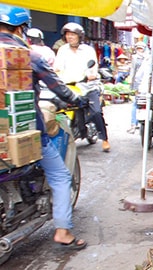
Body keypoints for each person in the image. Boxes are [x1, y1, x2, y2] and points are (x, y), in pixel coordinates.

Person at [0, 5, 88, 249]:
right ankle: (63, 231)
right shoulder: (27, 55)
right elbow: (59, 88)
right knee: (60, 176)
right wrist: (79, 100)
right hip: (25, 131)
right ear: (21, 28)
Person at [54, 22, 111, 152]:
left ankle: (105, 139)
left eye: (73, 34)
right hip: (69, 86)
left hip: (88, 86)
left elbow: (93, 68)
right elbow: (57, 67)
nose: (70, 37)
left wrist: (91, 75)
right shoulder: (63, 50)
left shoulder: (88, 50)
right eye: (68, 34)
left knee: (96, 111)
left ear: (80, 36)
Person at [127, 42, 147, 133]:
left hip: (146, 83)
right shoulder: (135, 58)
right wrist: (131, 82)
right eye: (138, 48)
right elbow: (133, 70)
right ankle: (133, 124)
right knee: (136, 102)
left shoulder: (147, 57)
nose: (140, 50)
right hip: (138, 83)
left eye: (141, 48)